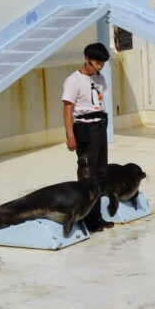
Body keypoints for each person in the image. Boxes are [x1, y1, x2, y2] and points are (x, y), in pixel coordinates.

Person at [62, 42, 114, 232]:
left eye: (102, 63)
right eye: (96, 63)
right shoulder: (73, 80)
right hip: (84, 128)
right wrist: (70, 135)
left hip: (100, 126)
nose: (99, 67)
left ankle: (97, 216)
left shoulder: (100, 78)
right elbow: (67, 109)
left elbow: (99, 102)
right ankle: (87, 217)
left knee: (101, 173)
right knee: (87, 174)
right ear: (86, 59)